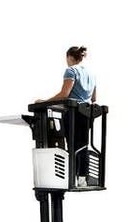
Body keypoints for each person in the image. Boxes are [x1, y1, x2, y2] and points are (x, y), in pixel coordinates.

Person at [35, 46, 97, 187]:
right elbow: (94, 98)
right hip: (87, 113)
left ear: (69, 57)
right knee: (83, 145)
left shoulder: (71, 70)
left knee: (72, 144)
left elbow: (64, 94)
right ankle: (82, 179)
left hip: (74, 113)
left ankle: (71, 178)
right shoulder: (91, 74)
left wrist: (44, 101)